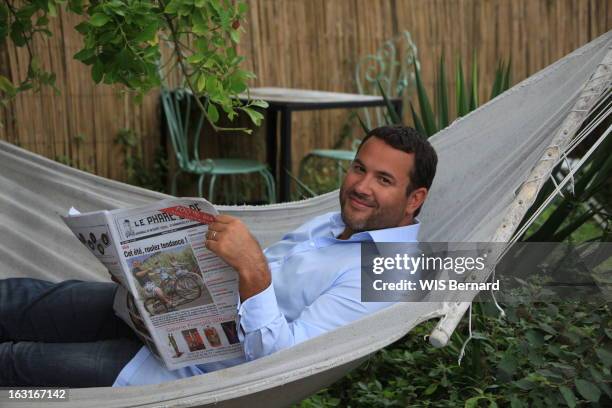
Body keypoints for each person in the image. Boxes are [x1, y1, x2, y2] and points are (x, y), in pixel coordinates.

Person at [0, 125, 437, 387]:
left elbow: (283, 363)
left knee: (19, 364)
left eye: (383, 179)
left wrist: (251, 266)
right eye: (359, 168)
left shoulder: (386, 277)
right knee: (19, 299)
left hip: (181, 371)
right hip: (165, 313)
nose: (361, 186)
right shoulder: (334, 220)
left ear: (414, 198)